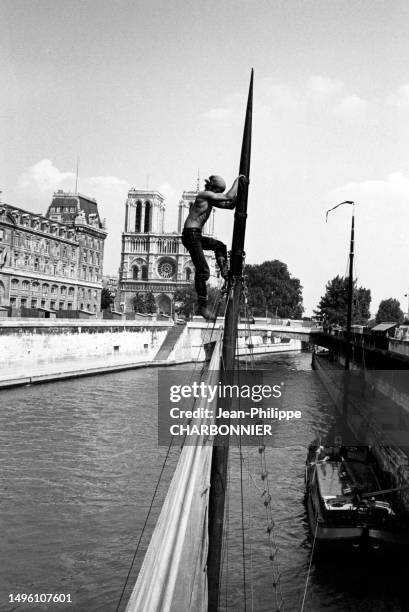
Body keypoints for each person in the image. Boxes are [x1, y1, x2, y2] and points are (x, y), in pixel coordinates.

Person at [182, 174, 245, 321]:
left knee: (220, 246)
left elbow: (230, 205)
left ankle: (224, 272)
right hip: (191, 234)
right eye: (218, 191)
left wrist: (242, 193)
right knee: (203, 271)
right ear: (214, 188)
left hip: (195, 234)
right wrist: (237, 180)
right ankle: (202, 306)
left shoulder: (210, 198)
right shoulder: (205, 195)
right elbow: (229, 196)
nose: (218, 194)